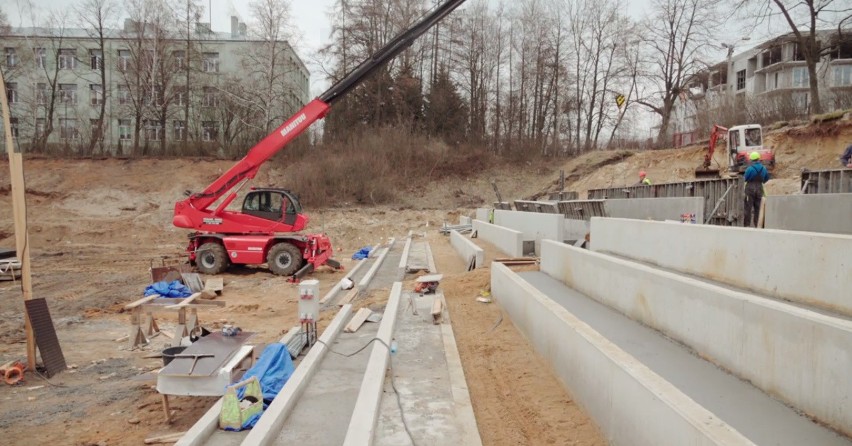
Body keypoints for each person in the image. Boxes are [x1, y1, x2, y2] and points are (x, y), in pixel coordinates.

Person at [743, 151, 769, 227]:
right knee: (758, 208)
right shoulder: (763, 168)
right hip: (759, 188)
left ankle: (747, 225)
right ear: (758, 159)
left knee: (748, 208)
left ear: (751, 160)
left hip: (750, 188)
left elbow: (745, 179)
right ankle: (757, 225)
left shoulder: (749, 169)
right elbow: (766, 179)